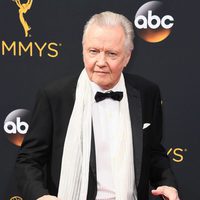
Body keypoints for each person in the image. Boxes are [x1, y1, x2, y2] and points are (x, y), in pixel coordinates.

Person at [15, 11, 180, 200]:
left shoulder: (146, 93)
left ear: (127, 57)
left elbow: (153, 152)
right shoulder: (55, 96)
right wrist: (40, 196)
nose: (101, 62)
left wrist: (167, 183)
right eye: (93, 51)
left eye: (111, 54)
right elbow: (28, 160)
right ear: (83, 50)